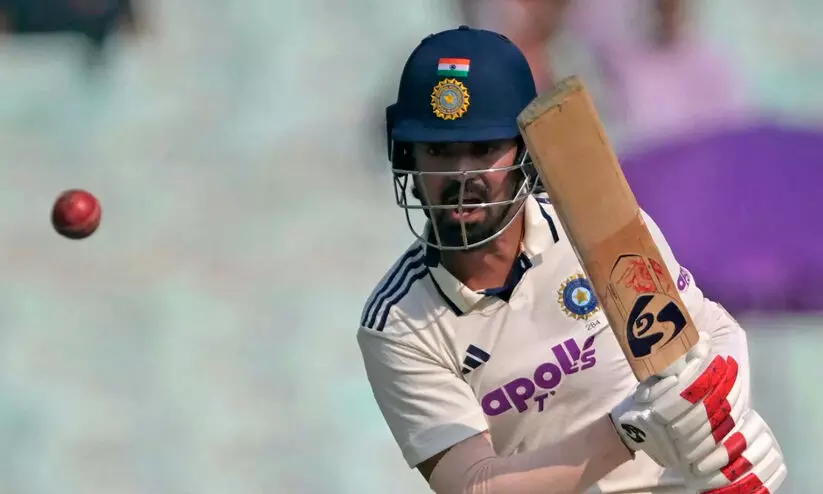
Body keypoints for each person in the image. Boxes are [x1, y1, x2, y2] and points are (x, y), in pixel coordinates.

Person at [357, 26, 786, 494]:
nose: (462, 175)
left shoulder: (595, 226)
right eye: (439, 151)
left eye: (483, 149)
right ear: (407, 157)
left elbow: (710, 334)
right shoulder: (399, 323)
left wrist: (728, 428)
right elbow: (473, 486)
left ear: (526, 153)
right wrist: (628, 432)